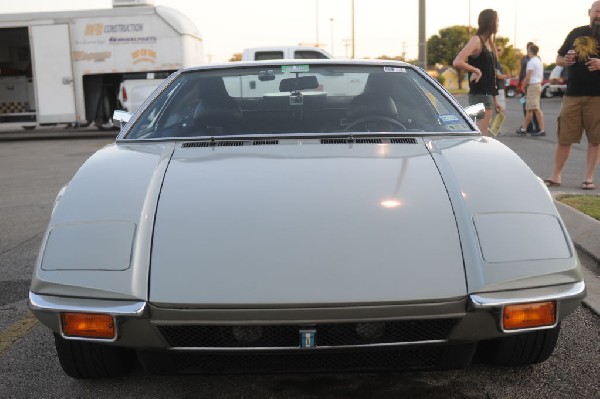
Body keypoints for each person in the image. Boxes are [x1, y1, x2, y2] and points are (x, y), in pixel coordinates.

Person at [544, 0, 600, 190]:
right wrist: (565, 60)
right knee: (564, 137)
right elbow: (559, 59)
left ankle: (588, 178)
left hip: (597, 97)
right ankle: (556, 175)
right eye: (596, 11)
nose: (598, 15)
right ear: (589, 12)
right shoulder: (576, 32)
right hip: (572, 94)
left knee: (595, 139)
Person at [453, 9, 502, 135]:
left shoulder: (489, 42)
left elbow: (491, 74)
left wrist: (495, 99)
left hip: (487, 95)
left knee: (481, 135)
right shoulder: (476, 40)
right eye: (496, 21)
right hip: (480, 95)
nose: (498, 24)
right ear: (490, 22)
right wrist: (475, 70)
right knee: (480, 136)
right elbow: (457, 61)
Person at [516, 45, 546, 136]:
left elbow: (528, 76)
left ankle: (541, 130)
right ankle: (524, 128)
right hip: (537, 85)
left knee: (535, 108)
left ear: (530, 51)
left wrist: (523, 86)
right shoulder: (539, 61)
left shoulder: (531, 62)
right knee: (530, 108)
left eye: (528, 51)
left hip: (532, 86)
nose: (527, 53)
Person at [518, 42, 539, 132]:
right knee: (524, 105)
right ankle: (528, 126)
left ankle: (536, 126)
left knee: (533, 107)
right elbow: (521, 71)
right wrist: (519, 83)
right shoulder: (524, 58)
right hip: (524, 85)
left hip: (530, 85)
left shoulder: (535, 60)